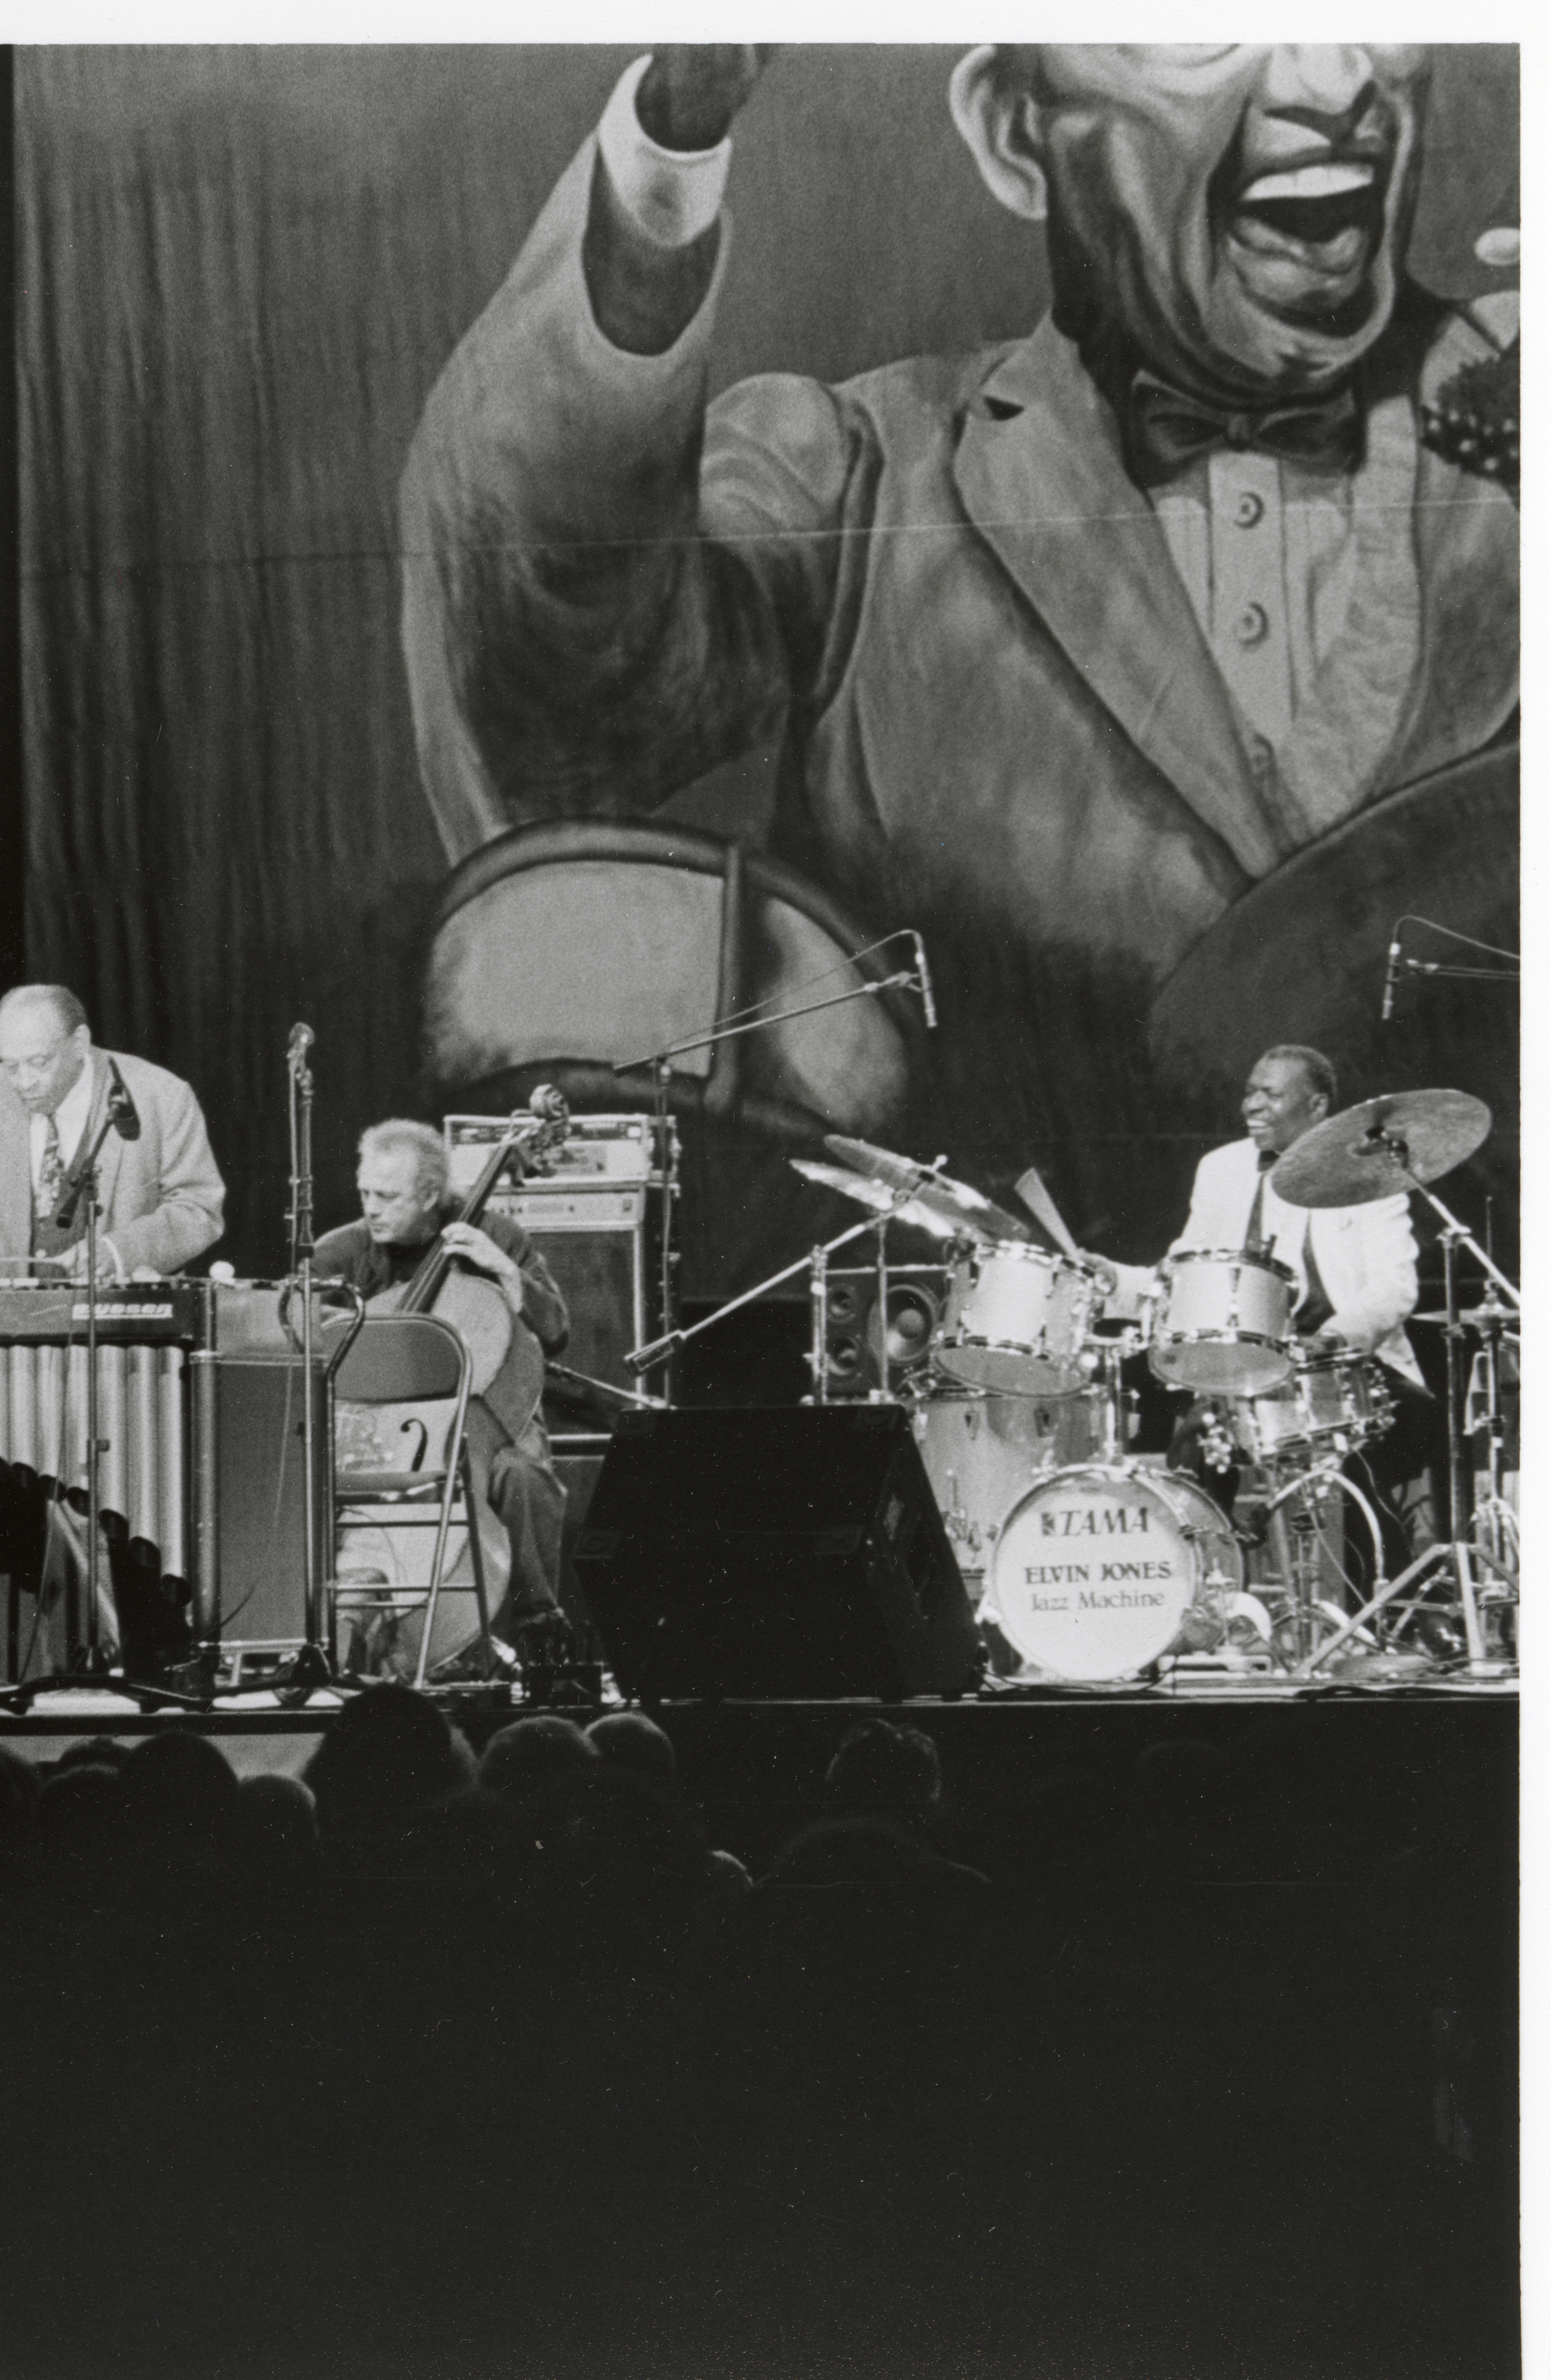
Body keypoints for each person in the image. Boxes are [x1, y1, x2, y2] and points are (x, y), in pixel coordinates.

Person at [404, 46, 1516, 1239]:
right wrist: (661, 168)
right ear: (1011, 129)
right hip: (1004, 1312)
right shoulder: (849, 473)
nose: (1332, 79)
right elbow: (556, 696)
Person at [1095, 1045, 1438, 1576]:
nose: (1250, 1105)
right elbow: (1182, 1273)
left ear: (1316, 1105)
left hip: (1344, 1366)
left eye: (1270, 1094)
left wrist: (1333, 1339)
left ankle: (1383, 1594)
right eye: (1249, 1091)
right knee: (1194, 1444)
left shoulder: (1367, 1173)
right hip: (1242, 1372)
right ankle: (1211, 1591)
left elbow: (1393, 1286)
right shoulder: (1220, 1169)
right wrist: (1116, 1281)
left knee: (1364, 1456)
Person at [311, 1118, 574, 1669]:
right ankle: (337, 1625)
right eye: (365, 1193)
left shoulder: (498, 1236)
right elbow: (308, 1344)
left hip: (485, 1418)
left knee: (524, 1477)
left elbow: (554, 1333)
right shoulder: (341, 1252)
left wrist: (504, 1271)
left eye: (388, 1197)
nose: (371, 1209)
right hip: (372, 1430)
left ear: (431, 1195)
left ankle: (540, 1631)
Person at [0, 983, 225, 1282]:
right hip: (10, 1315)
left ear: (79, 1043)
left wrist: (116, 1253)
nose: (24, 1082)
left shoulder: (161, 1095)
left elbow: (197, 1209)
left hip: (123, 1313)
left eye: (39, 1063)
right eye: (11, 1066)